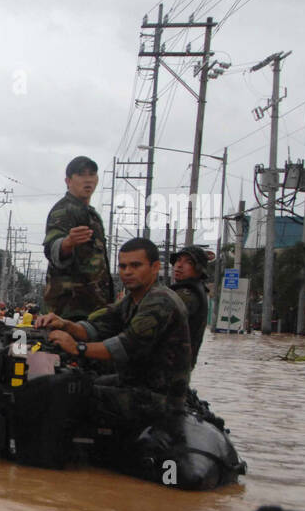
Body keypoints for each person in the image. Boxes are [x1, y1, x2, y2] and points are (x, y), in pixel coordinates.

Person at [38, 237, 191, 430]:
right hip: (134, 384)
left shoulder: (160, 301)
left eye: (135, 265)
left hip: (159, 398)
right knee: (75, 381)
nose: (127, 272)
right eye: (123, 266)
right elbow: (96, 328)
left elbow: (125, 347)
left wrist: (77, 348)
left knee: (69, 394)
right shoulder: (131, 300)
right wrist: (65, 324)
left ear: (155, 267)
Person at [43, 155, 114, 319]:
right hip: (70, 310)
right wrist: (67, 243)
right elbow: (52, 248)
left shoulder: (89, 213)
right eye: (81, 175)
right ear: (68, 180)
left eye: (92, 175)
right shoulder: (64, 210)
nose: (88, 180)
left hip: (93, 306)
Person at [170, 245, 213, 367]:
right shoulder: (194, 290)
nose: (179, 265)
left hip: (171, 369)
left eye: (188, 262)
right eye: (178, 260)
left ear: (199, 269)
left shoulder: (186, 296)